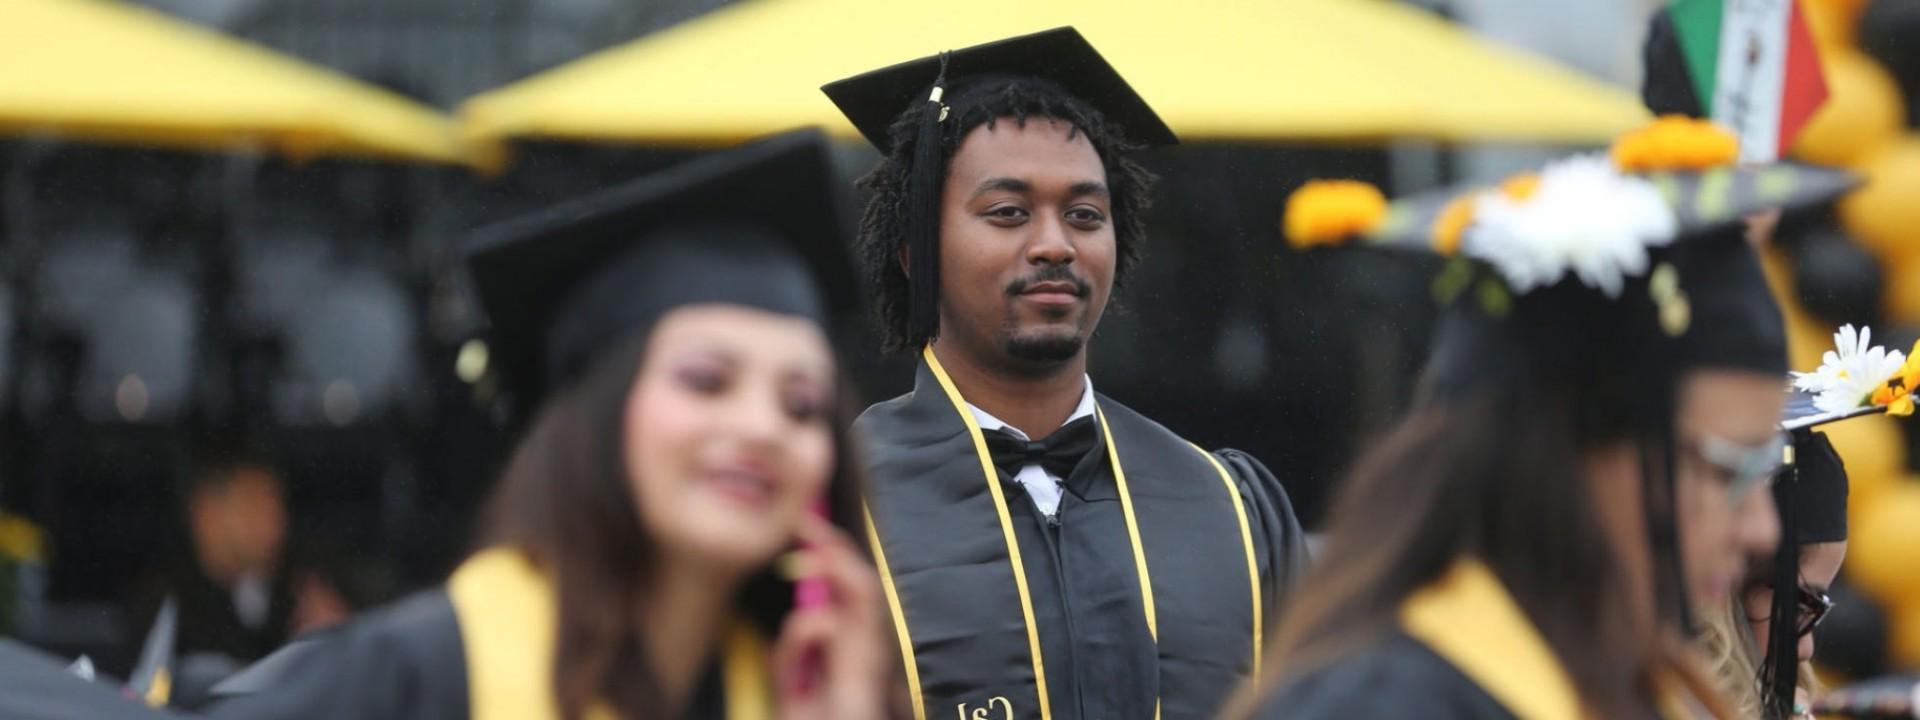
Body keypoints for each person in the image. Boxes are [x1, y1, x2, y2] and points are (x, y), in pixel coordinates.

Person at [201, 130, 890, 720]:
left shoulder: (787, 692)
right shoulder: (403, 680)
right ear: (598, 415)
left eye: (801, 405)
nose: (762, 426)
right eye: (705, 380)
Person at [1233, 117, 1858, 718]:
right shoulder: (1386, 704)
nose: (1761, 530)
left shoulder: (1624, 682)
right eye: (1729, 470)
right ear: (1568, 452)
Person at [820, 27, 1307, 719]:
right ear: (913, 252)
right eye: (1008, 213)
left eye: (1084, 215)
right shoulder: (838, 507)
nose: (1054, 244)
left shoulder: (1229, 505)